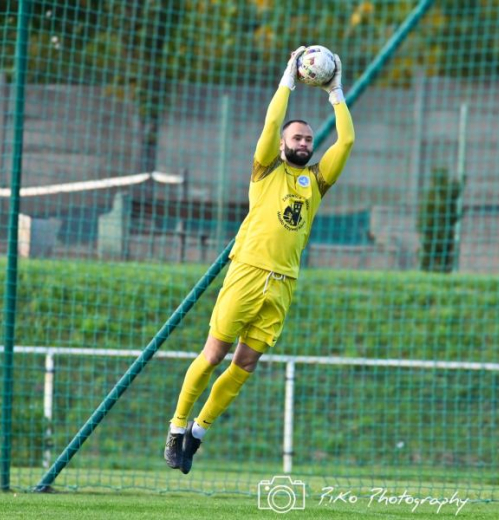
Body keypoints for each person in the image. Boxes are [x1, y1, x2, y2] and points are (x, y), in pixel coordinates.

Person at [164, 46, 354, 474]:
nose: (304, 143)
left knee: (244, 364)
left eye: (308, 139)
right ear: (283, 145)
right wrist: (289, 77)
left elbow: (348, 140)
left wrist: (336, 91)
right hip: (247, 271)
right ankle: (176, 427)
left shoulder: (316, 181)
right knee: (213, 354)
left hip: (283, 281)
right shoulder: (265, 169)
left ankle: (197, 432)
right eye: (297, 138)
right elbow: (272, 122)